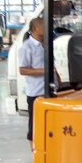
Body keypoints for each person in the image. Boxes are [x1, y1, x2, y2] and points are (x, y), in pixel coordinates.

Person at [18, 17, 60, 150]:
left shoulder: (46, 45)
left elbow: (53, 67)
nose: (48, 28)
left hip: (51, 90)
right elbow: (22, 70)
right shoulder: (27, 47)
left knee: (50, 121)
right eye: (44, 26)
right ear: (35, 29)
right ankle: (34, 150)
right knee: (34, 122)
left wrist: (58, 81)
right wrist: (44, 71)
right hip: (36, 92)